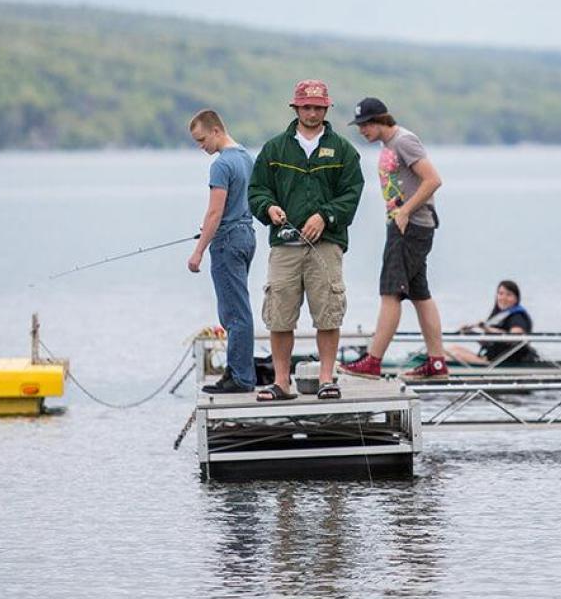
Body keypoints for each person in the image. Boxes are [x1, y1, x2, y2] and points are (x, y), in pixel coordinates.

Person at [247, 80, 364, 401]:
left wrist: (325, 216)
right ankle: (282, 383)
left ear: (326, 109)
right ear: (296, 108)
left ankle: (327, 379)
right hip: (284, 245)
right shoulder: (274, 149)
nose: (311, 112)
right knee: (280, 313)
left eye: (317, 107)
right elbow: (257, 190)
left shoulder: (343, 151)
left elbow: (352, 194)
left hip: (327, 245)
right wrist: (267, 207)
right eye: (306, 107)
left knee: (328, 311)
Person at [339, 97, 449, 379]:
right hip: (408, 226)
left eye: (365, 125)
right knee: (420, 294)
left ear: (379, 120)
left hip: (409, 227)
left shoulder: (403, 141)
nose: (362, 131)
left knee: (391, 292)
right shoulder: (391, 144)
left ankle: (373, 361)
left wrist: (405, 212)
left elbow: (433, 180)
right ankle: (437, 363)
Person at [186, 109, 257, 393]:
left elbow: (215, 213)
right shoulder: (245, 158)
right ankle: (238, 371)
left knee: (233, 312)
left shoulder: (221, 165)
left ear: (216, 131)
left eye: (202, 139)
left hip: (227, 240)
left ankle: (240, 377)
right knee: (239, 308)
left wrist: (198, 251)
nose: (201, 146)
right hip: (246, 235)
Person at [446, 280, 539, 366]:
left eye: (508, 295)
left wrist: (488, 329)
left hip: (503, 363)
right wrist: (470, 333)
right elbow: (487, 343)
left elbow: (516, 337)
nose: (503, 298)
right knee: (450, 349)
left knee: (455, 355)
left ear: (516, 298)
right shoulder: (497, 316)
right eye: (501, 294)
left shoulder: (517, 317)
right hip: (489, 358)